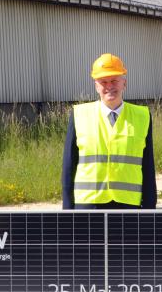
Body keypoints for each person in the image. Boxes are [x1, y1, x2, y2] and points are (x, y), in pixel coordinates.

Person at [62, 53, 156, 210]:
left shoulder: (142, 116)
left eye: (114, 80)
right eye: (103, 82)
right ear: (96, 86)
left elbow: (148, 167)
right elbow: (69, 166)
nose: (109, 86)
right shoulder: (79, 115)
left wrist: (149, 210)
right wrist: (67, 211)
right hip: (88, 205)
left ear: (124, 83)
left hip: (128, 205)